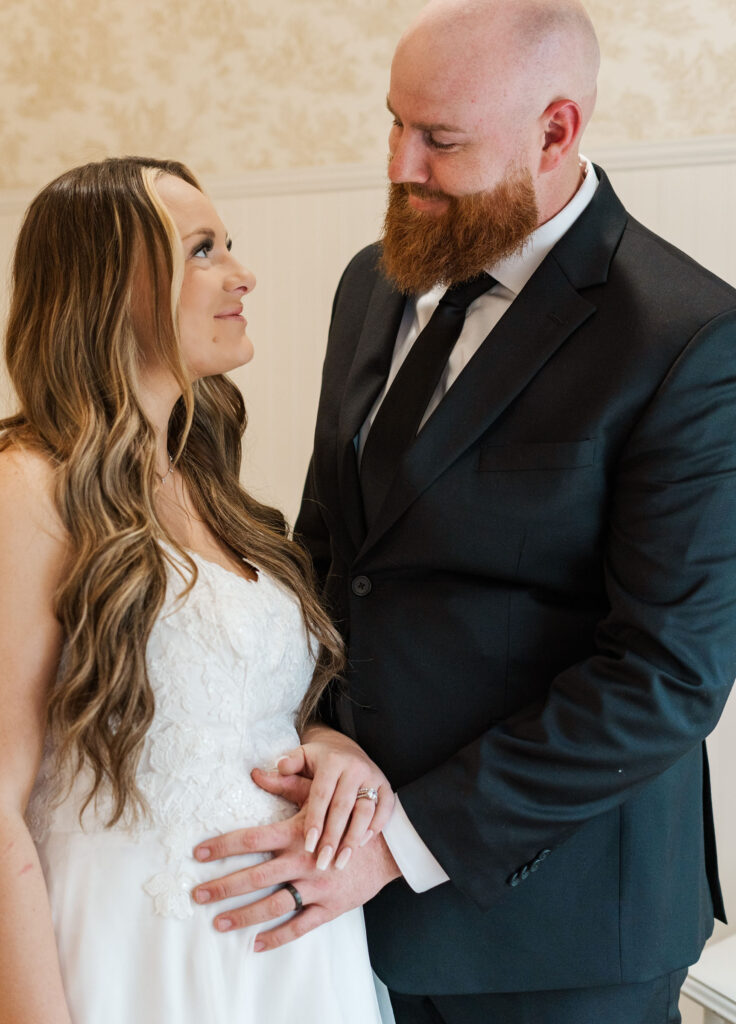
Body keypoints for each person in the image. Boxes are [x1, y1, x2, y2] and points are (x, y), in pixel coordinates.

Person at [190, 1, 736, 1022]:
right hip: (342, 889)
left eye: (439, 139)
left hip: (558, 926)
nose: (400, 163)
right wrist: (315, 725)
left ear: (556, 130)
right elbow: (335, 549)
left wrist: (402, 842)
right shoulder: (374, 281)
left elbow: (665, 675)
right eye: (393, 122)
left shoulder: (686, 337)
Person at [0, 156, 394, 1024]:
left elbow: (228, 700)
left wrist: (324, 741)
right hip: (134, 951)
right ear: (111, 288)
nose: (241, 274)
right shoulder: (28, 485)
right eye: (203, 250)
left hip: (290, 955)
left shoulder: (204, 481)